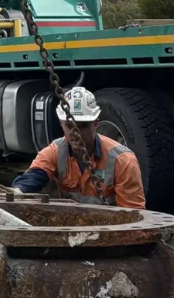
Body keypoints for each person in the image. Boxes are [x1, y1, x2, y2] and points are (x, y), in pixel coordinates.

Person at [11, 86, 146, 209]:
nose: (76, 133)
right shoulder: (56, 151)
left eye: (82, 126)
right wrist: (18, 191)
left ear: (95, 124)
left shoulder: (122, 160)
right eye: (69, 126)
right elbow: (35, 175)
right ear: (61, 125)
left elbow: (133, 213)